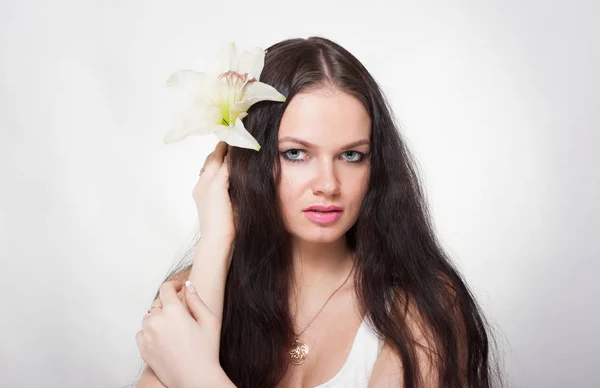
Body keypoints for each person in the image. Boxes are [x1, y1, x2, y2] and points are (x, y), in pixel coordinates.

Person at [134, 36, 501, 387]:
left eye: (351, 155)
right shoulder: (191, 285)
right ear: (251, 161)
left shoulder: (420, 306)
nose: (328, 183)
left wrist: (199, 377)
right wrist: (216, 240)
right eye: (296, 153)